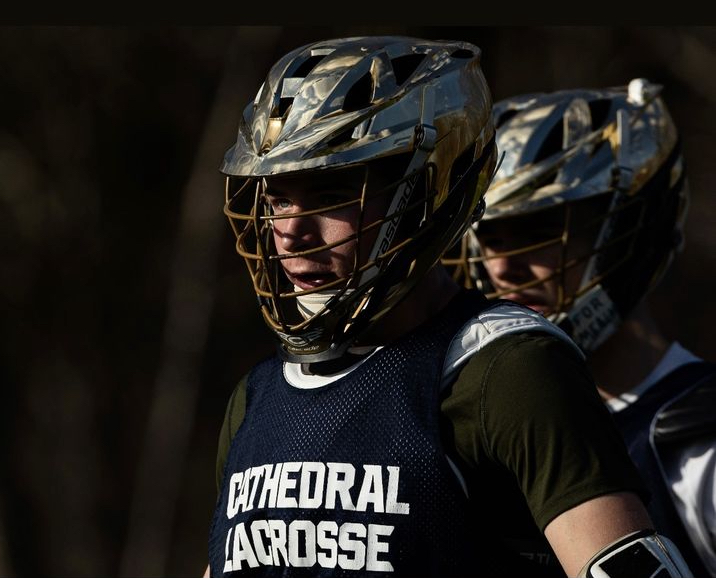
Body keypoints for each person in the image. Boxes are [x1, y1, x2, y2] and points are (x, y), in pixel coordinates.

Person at [206, 37, 693, 577]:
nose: (290, 233)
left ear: (423, 195)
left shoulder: (505, 368)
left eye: (330, 194)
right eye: (278, 198)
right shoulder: (258, 396)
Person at [451, 78, 715, 577]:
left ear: (626, 237)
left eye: (538, 231)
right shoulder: (465, 418)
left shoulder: (699, 443)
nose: (502, 267)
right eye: (490, 236)